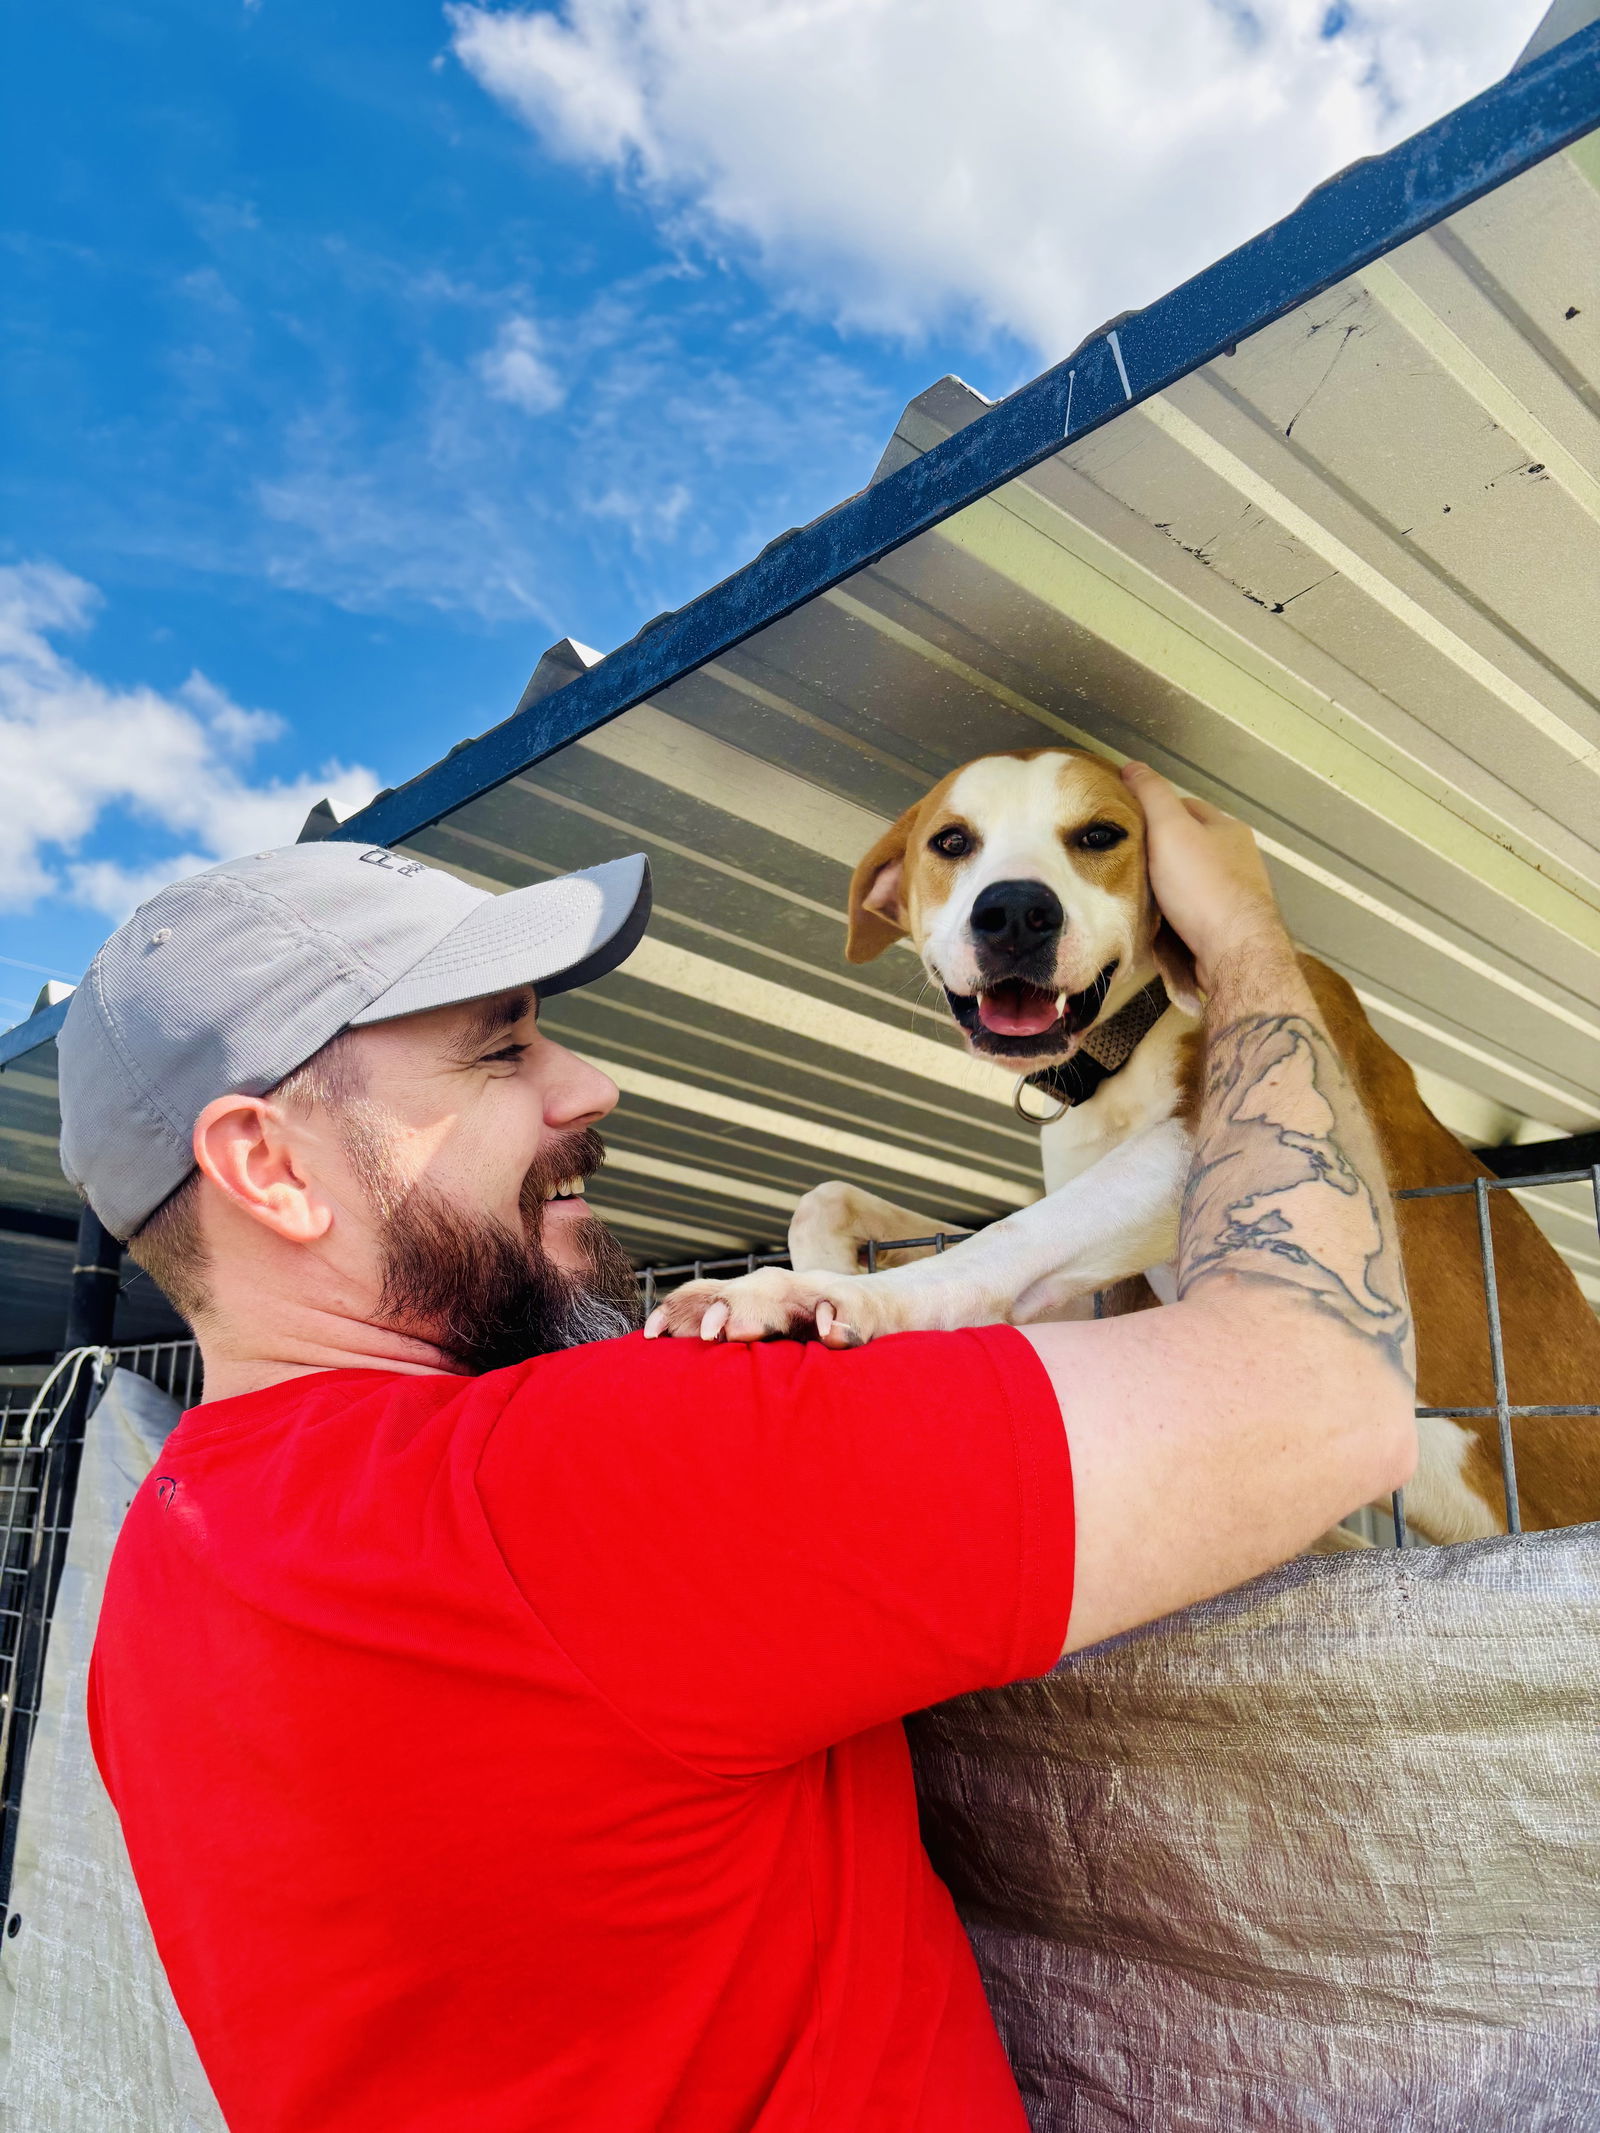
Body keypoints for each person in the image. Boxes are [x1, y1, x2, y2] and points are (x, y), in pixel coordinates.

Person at [66, 768, 1416, 2133]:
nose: (590, 1081)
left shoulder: (149, 1589)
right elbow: (1328, 1388)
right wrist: (1245, 939)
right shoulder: (577, 1488)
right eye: (501, 1049)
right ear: (269, 1164)